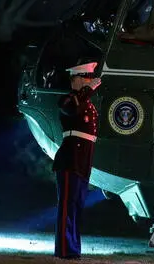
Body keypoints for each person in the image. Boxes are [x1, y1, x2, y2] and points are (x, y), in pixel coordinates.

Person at [53, 60, 101, 260]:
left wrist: (87, 92)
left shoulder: (86, 103)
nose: (89, 82)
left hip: (83, 159)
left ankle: (73, 249)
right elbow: (72, 109)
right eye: (85, 78)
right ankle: (64, 249)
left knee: (77, 205)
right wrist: (87, 90)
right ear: (76, 80)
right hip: (70, 159)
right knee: (67, 206)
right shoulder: (68, 100)